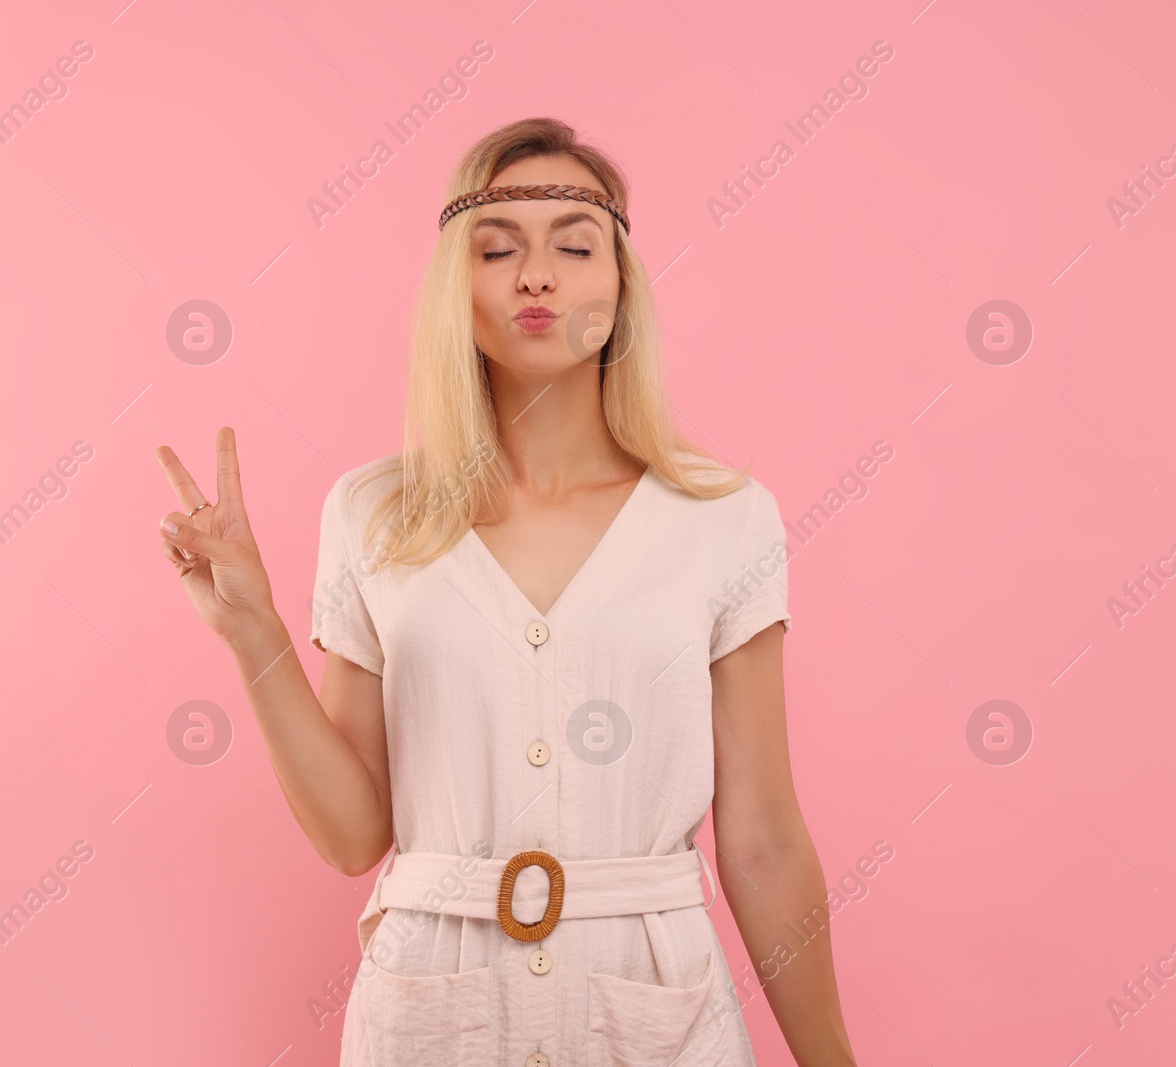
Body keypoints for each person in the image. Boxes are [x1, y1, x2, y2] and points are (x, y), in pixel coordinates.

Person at [153, 117, 858, 1066]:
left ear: (619, 289)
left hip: (655, 1012)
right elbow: (355, 833)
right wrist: (255, 634)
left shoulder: (723, 518)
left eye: (575, 245)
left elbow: (765, 837)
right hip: (429, 1014)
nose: (538, 275)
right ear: (459, 288)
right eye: (499, 249)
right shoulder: (374, 513)